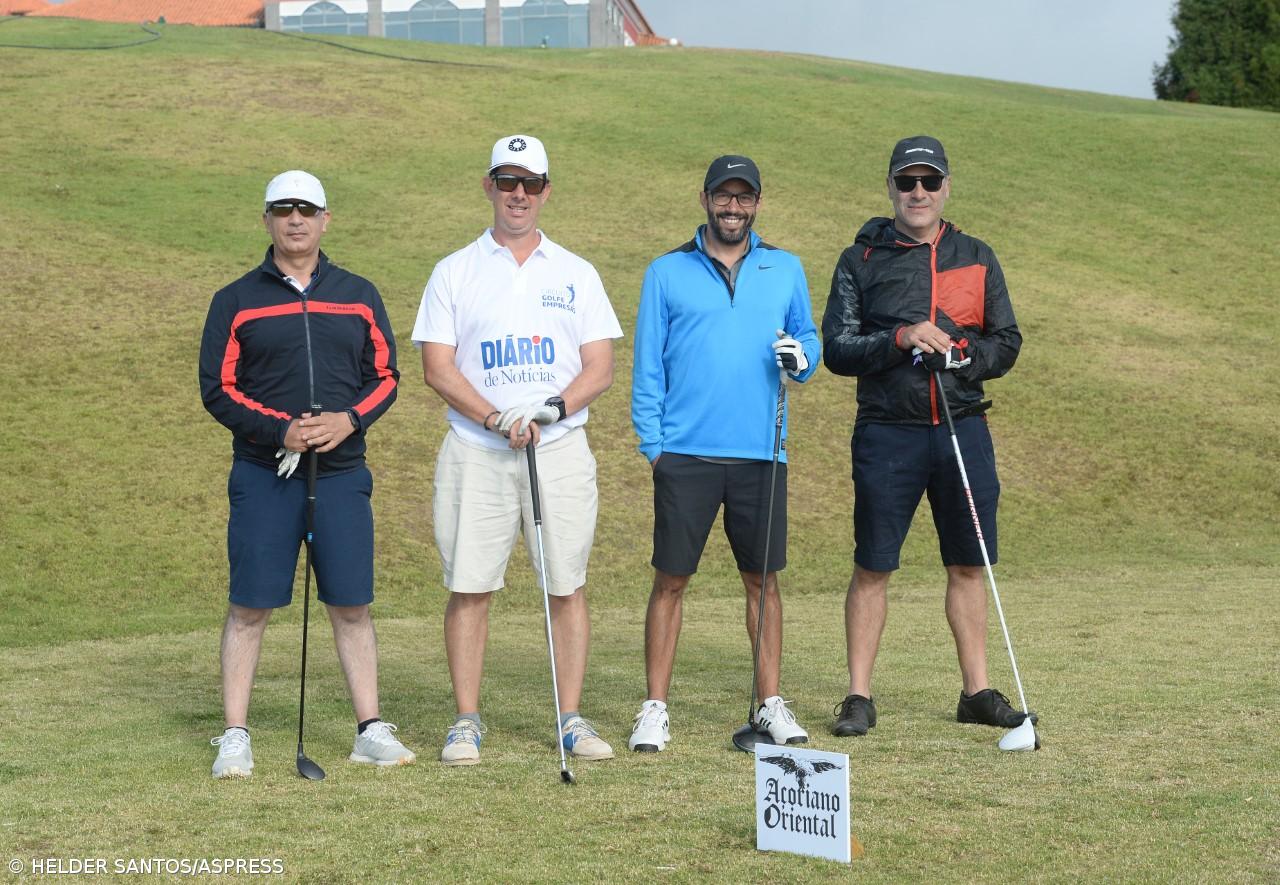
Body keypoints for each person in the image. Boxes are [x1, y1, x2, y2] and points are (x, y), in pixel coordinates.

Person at [413, 135, 623, 767]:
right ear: (489, 186)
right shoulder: (454, 270)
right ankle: (466, 721)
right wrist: (494, 414)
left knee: (566, 583)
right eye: (508, 182)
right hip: (477, 446)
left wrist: (551, 408)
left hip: (557, 445)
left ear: (546, 191)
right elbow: (436, 365)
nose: (519, 195)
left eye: (531, 184)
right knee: (470, 585)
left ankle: (571, 719)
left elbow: (601, 366)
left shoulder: (575, 272)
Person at [199, 170, 415, 778]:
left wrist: (347, 420)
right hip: (264, 476)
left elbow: (388, 376)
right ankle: (235, 735)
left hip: (343, 474)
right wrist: (281, 430)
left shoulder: (359, 292)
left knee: (351, 604)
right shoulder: (236, 300)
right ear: (266, 219)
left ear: (325, 220)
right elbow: (217, 389)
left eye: (307, 210)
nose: (295, 220)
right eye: (283, 209)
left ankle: (370, 730)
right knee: (249, 606)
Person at [822, 136, 1026, 738]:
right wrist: (901, 339)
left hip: (962, 428)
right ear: (889, 186)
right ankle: (858, 696)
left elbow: (1006, 342)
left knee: (969, 564)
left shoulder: (978, 255)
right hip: (888, 433)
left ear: (946, 188)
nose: (918, 193)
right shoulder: (859, 260)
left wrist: (962, 355)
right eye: (907, 182)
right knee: (873, 565)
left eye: (929, 182)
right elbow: (837, 348)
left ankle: (976, 692)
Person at [629, 155, 820, 753]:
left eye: (744, 198)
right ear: (705, 198)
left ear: (757, 203)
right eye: (723, 196)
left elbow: (808, 340)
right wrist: (655, 447)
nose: (732, 207)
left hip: (762, 452)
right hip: (684, 453)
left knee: (763, 582)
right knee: (671, 581)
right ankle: (655, 708)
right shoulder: (666, 271)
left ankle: (768, 705)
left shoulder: (784, 268)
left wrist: (803, 360)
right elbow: (646, 366)